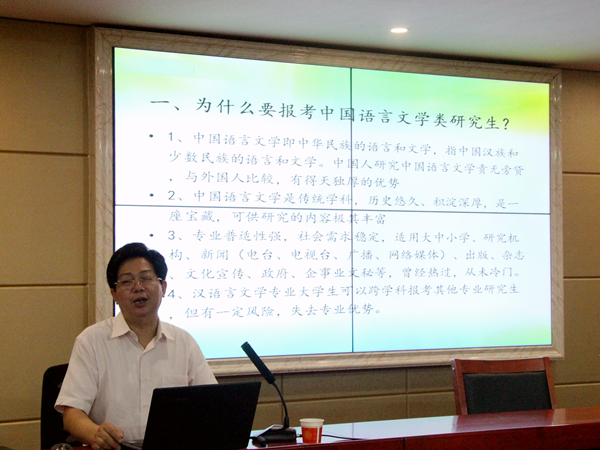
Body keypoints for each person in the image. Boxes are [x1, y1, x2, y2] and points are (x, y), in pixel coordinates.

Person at [55, 243, 217, 450]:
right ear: (114, 294)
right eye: (127, 281)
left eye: (146, 278)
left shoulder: (184, 342)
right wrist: (96, 434)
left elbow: (212, 405)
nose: (138, 287)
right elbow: (72, 414)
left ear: (163, 287)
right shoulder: (91, 341)